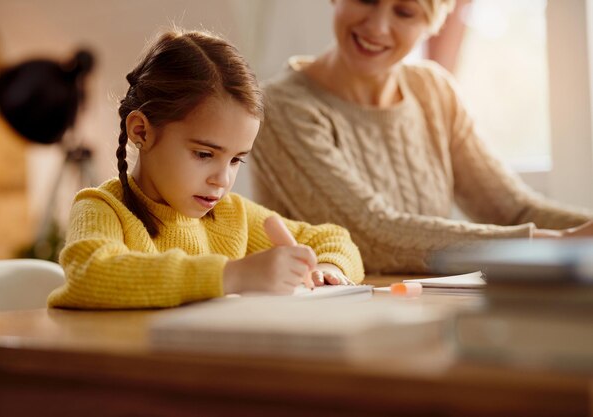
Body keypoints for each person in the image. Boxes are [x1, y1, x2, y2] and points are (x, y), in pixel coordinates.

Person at [251, 0, 593, 274]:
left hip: (422, 304)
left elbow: (514, 210)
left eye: (405, 11)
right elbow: (372, 235)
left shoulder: (433, 91)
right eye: (366, 0)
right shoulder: (282, 106)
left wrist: (581, 231)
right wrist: (559, 242)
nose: (377, 26)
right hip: (333, 315)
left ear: (431, 23)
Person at [47, 29, 364, 309]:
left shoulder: (232, 215)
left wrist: (327, 267)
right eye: (203, 154)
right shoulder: (104, 209)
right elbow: (90, 274)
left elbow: (334, 239)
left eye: (236, 160)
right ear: (141, 132)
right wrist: (232, 276)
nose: (222, 179)